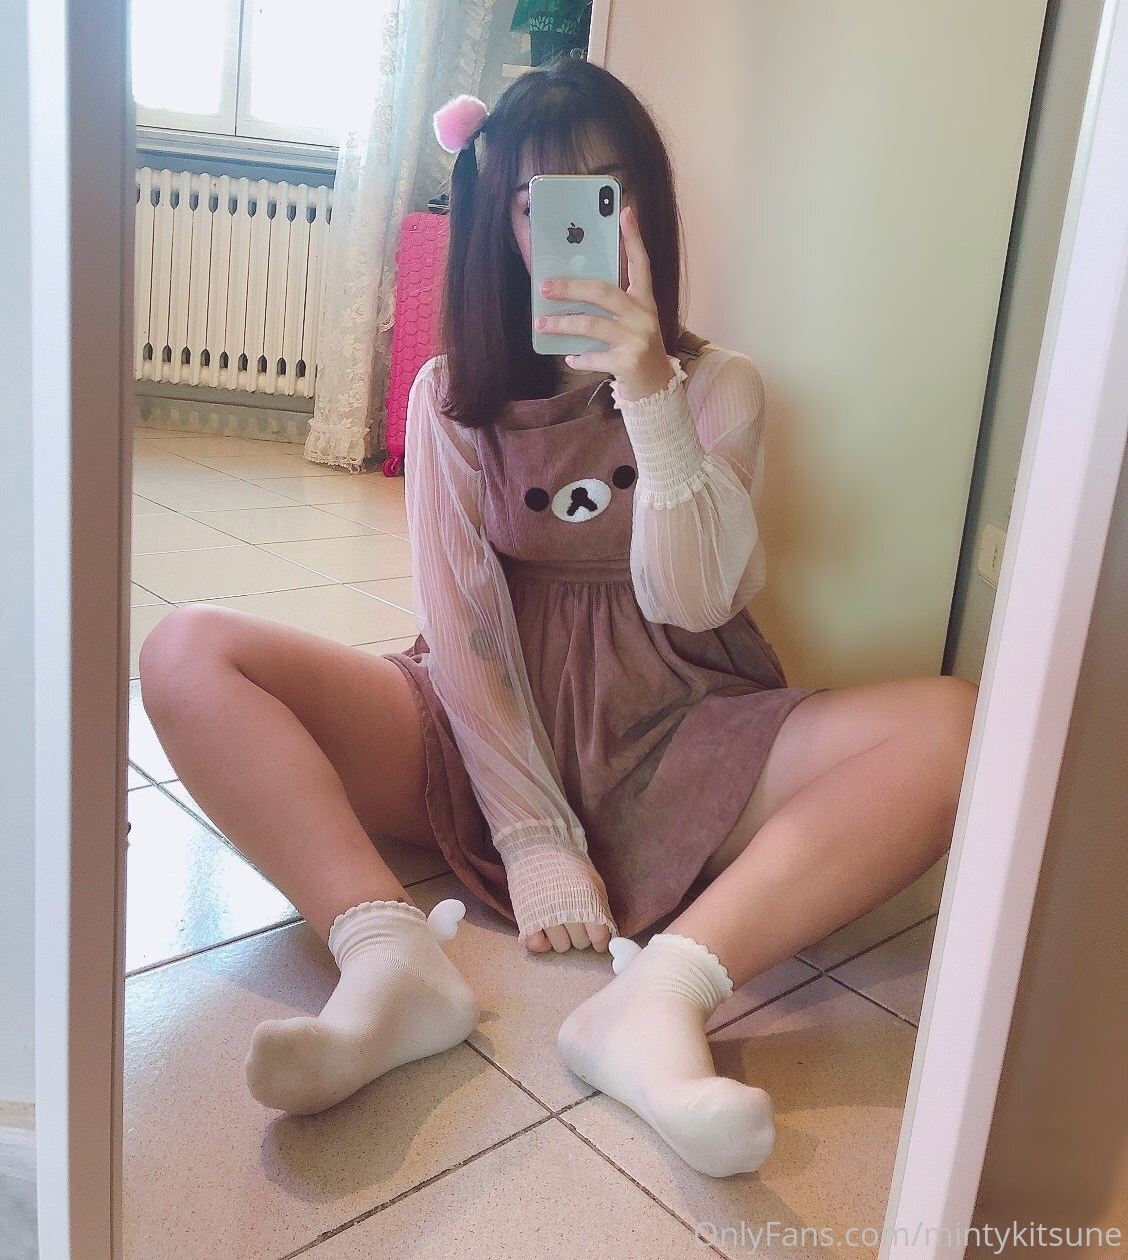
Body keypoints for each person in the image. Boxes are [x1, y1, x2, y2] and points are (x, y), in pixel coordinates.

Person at [138, 59, 977, 1177]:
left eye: (605, 193)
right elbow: (467, 631)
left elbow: (696, 600)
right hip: (485, 734)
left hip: (680, 729)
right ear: (505, 224)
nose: (578, 230)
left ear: (645, 211)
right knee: (186, 648)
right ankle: (388, 960)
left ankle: (664, 994)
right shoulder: (450, 397)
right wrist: (534, 838)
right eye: (541, 203)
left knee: (959, 727)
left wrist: (650, 395)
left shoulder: (720, 385)